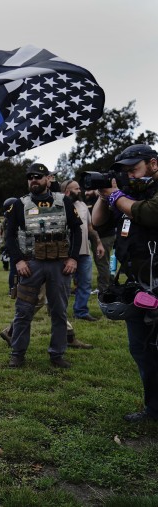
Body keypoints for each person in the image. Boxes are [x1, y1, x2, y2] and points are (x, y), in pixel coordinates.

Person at [92, 144, 158, 422]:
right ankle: (154, 410)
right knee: (141, 350)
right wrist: (104, 192)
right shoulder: (128, 195)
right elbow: (98, 222)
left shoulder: (146, 196)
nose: (130, 176)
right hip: (138, 288)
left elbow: (150, 214)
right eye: (125, 172)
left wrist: (117, 195)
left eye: (134, 169)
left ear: (153, 164)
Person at [4, 163, 82, 369]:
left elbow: (77, 230)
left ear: (48, 179)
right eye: (30, 177)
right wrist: (19, 261)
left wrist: (73, 258)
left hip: (59, 265)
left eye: (38, 176)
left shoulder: (63, 201)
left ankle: (57, 354)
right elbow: (9, 236)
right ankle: (17, 353)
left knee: (59, 312)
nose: (33, 180)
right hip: (31, 265)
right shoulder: (19, 205)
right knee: (23, 311)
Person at [62, 179, 104, 321]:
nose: (79, 191)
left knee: (85, 283)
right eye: (76, 189)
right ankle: (59, 312)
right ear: (67, 191)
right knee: (63, 285)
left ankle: (80, 312)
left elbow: (90, 228)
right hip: (64, 253)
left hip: (84, 252)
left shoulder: (82, 206)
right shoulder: (58, 205)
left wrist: (98, 243)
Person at [85, 189, 117, 294]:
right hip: (101, 236)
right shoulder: (91, 200)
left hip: (104, 236)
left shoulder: (104, 199)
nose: (86, 192)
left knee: (102, 262)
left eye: (89, 190)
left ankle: (103, 288)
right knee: (103, 262)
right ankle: (110, 283)